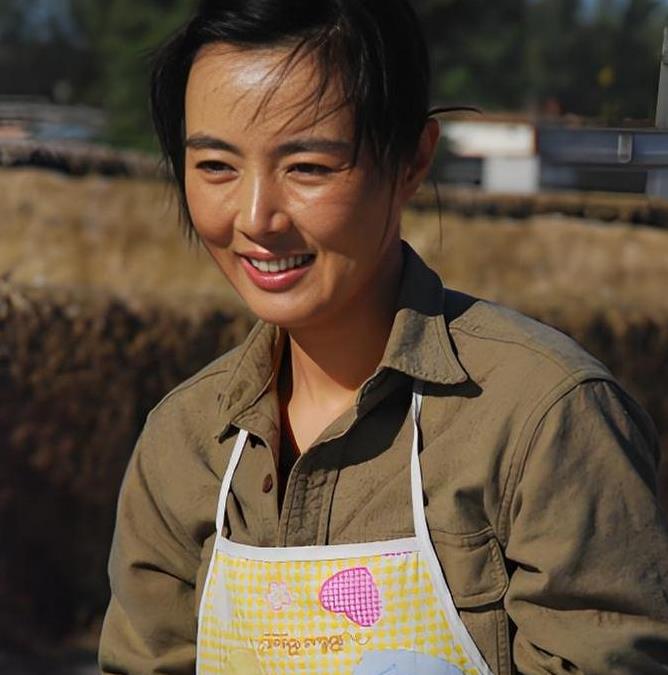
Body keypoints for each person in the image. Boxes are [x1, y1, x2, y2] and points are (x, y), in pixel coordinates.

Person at [98, 0, 668, 673]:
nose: (255, 218)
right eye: (217, 166)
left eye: (308, 167)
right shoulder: (185, 441)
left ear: (411, 160)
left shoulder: (542, 421)